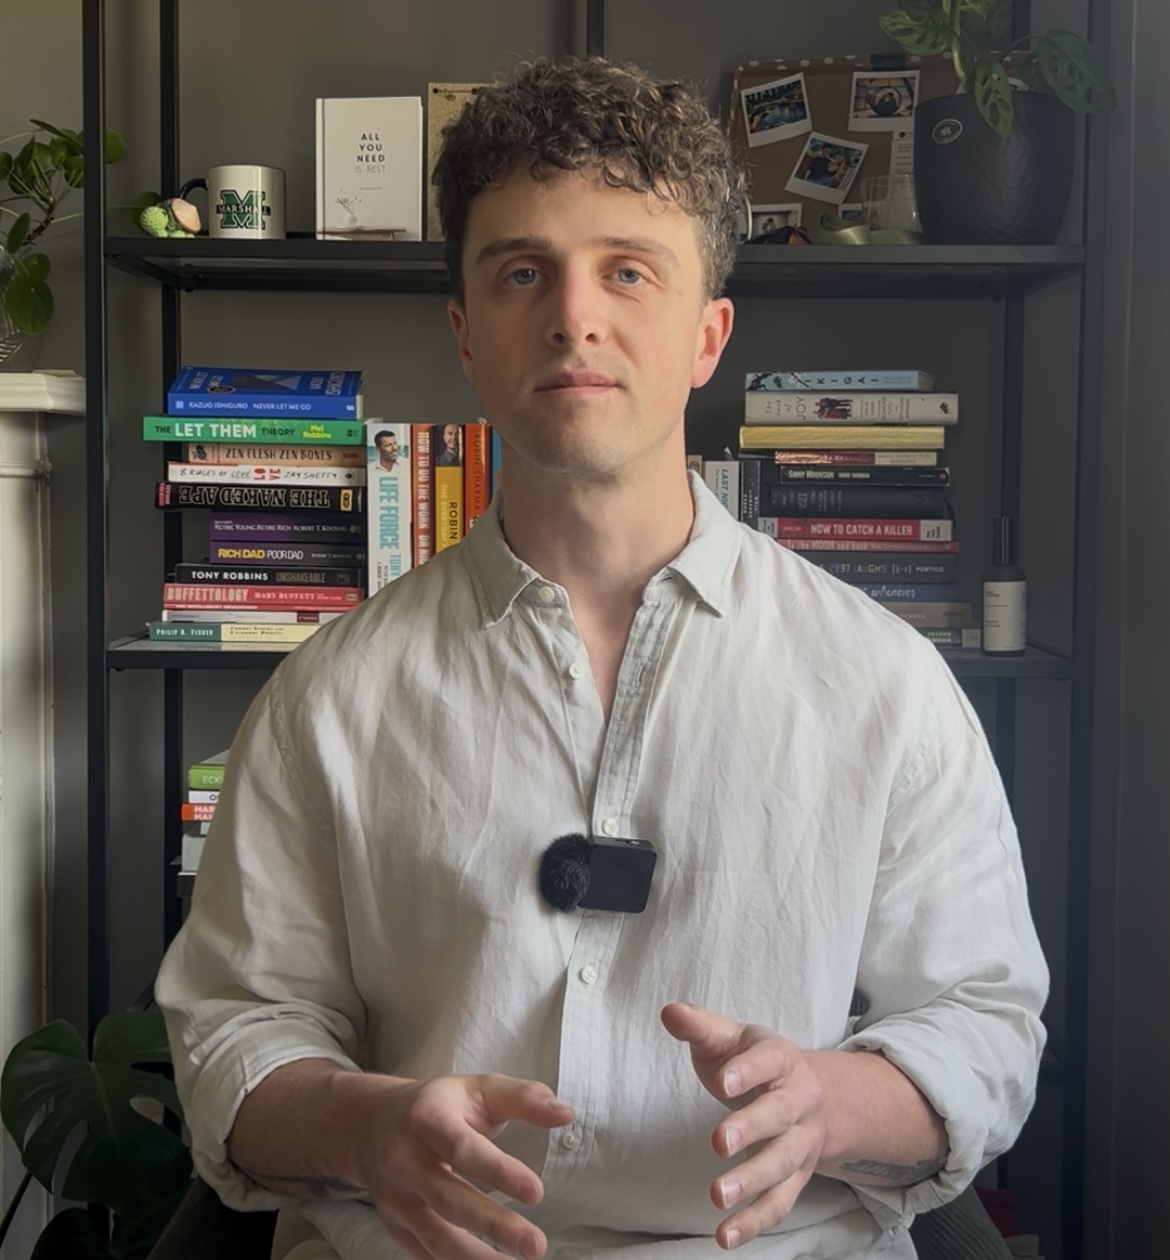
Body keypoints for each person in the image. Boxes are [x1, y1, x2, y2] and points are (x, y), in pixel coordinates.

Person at [155, 55, 1048, 1260]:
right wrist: (367, 1128)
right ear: (466, 335)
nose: (575, 315)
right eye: (524, 272)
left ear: (707, 335)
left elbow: (983, 1024)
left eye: (629, 271)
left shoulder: (887, 688)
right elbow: (234, 1036)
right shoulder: (326, 699)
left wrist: (828, 1107)